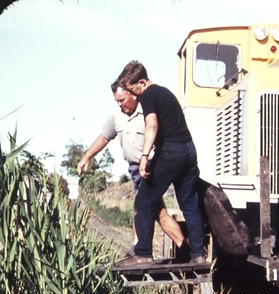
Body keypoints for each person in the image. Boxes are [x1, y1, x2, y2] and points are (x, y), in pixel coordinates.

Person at [115, 60, 206, 267]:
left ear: (142, 82)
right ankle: (198, 255)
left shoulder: (148, 94)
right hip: (189, 150)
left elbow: (152, 125)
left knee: (144, 201)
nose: (134, 96)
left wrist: (145, 156)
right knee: (190, 205)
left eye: (133, 90)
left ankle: (143, 254)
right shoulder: (166, 93)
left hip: (171, 150)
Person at [78, 81, 185, 254]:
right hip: (135, 170)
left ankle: (139, 250)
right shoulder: (116, 116)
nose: (120, 104)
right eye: (116, 101)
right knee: (158, 212)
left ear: (133, 94)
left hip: (151, 167)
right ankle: (182, 245)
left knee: (141, 206)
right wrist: (87, 156)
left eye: (122, 100)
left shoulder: (148, 111)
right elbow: (105, 137)